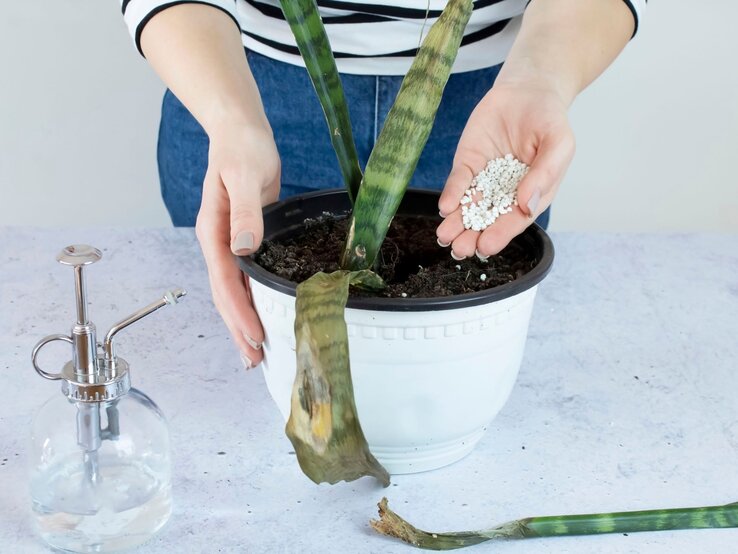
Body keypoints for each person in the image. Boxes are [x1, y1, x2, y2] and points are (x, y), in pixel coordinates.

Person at [120, 0, 643, 368]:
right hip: (241, 82)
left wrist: (540, 79)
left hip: (492, 101)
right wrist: (231, 119)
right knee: (248, 370)